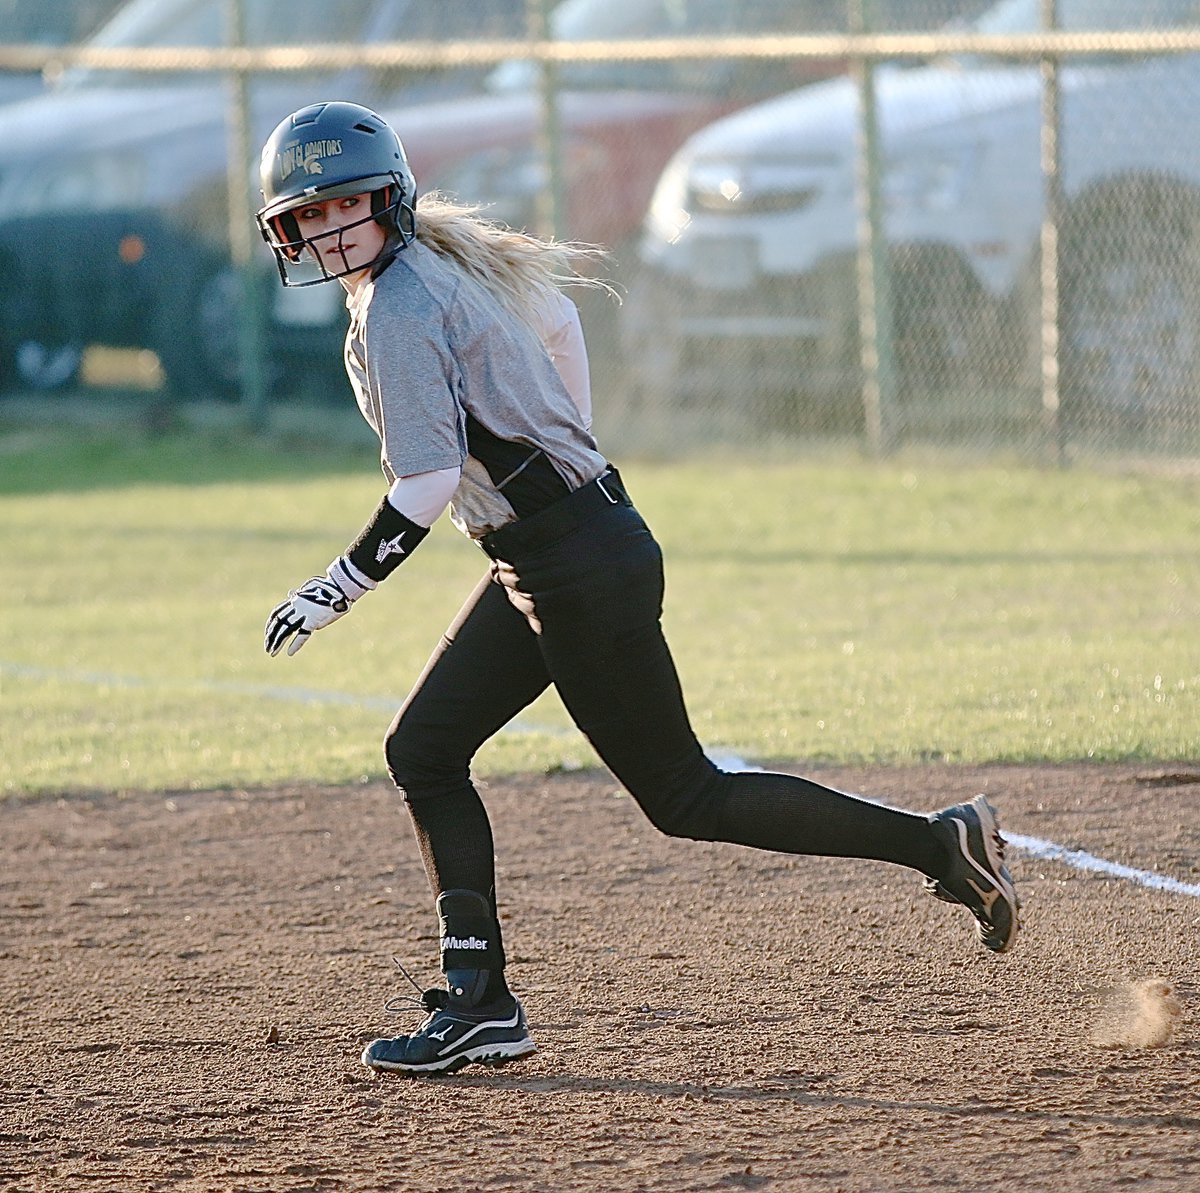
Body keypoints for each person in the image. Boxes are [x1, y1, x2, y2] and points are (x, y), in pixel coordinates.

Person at [256, 101, 1020, 1079]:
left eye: (345, 206)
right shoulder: (425, 270)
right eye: (307, 217)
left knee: (684, 793)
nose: (328, 230)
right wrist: (559, 459)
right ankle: (480, 999)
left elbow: (426, 483)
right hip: (561, 547)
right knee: (426, 747)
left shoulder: (399, 301)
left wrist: (336, 587)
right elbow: (558, 320)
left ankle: (941, 844)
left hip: (571, 559)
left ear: (391, 200)